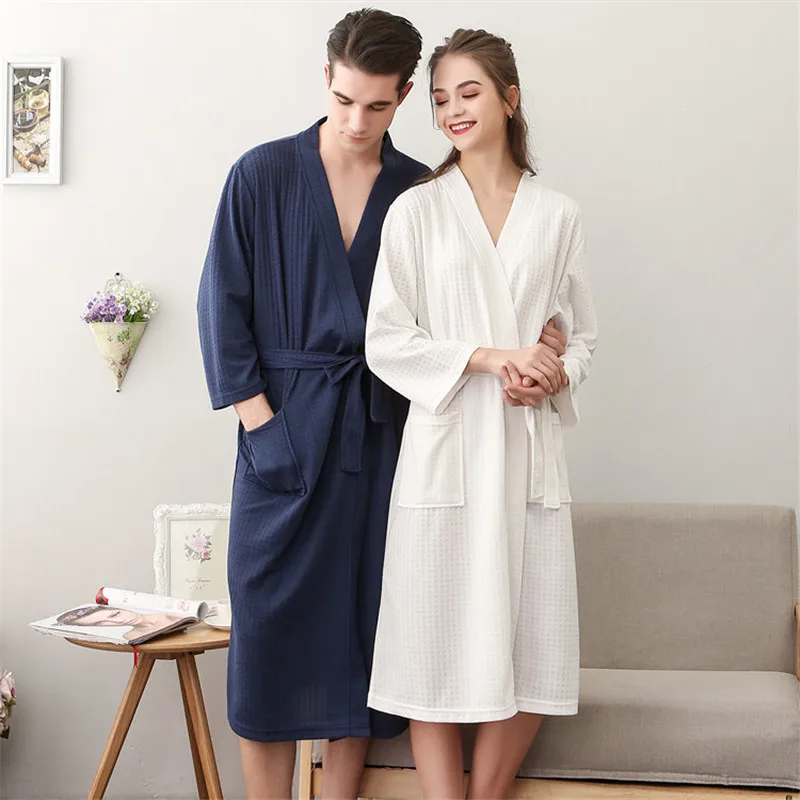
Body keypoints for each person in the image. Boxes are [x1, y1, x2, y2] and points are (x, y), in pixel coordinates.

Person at [196, 9, 429, 799]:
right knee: (265, 645)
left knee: (357, 640)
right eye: (343, 100)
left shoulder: (420, 191)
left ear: (403, 97)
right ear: (325, 78)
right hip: (282, 435)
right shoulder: (261, 175)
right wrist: (264, 431)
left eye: (378, 106)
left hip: (379, 440)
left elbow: (456, 311)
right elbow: (222, 308)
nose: (357, 121)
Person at [364, 28, 599, 799]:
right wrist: (493, 358)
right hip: (448, 450)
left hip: (528, 450)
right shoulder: (417, 211)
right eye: (440, 99)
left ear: (510, 97)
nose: (453, 110)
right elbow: (386, 339)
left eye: (469, 92)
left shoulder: (557, 215)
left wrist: (552, 374)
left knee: (536, 647)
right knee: (430, 647)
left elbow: (582, 337)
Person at [55, 606, 184, 642]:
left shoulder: (174, 615)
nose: (118, 621)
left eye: (115, 614)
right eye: (101, 623)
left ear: (122, 608)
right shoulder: (130, 636)